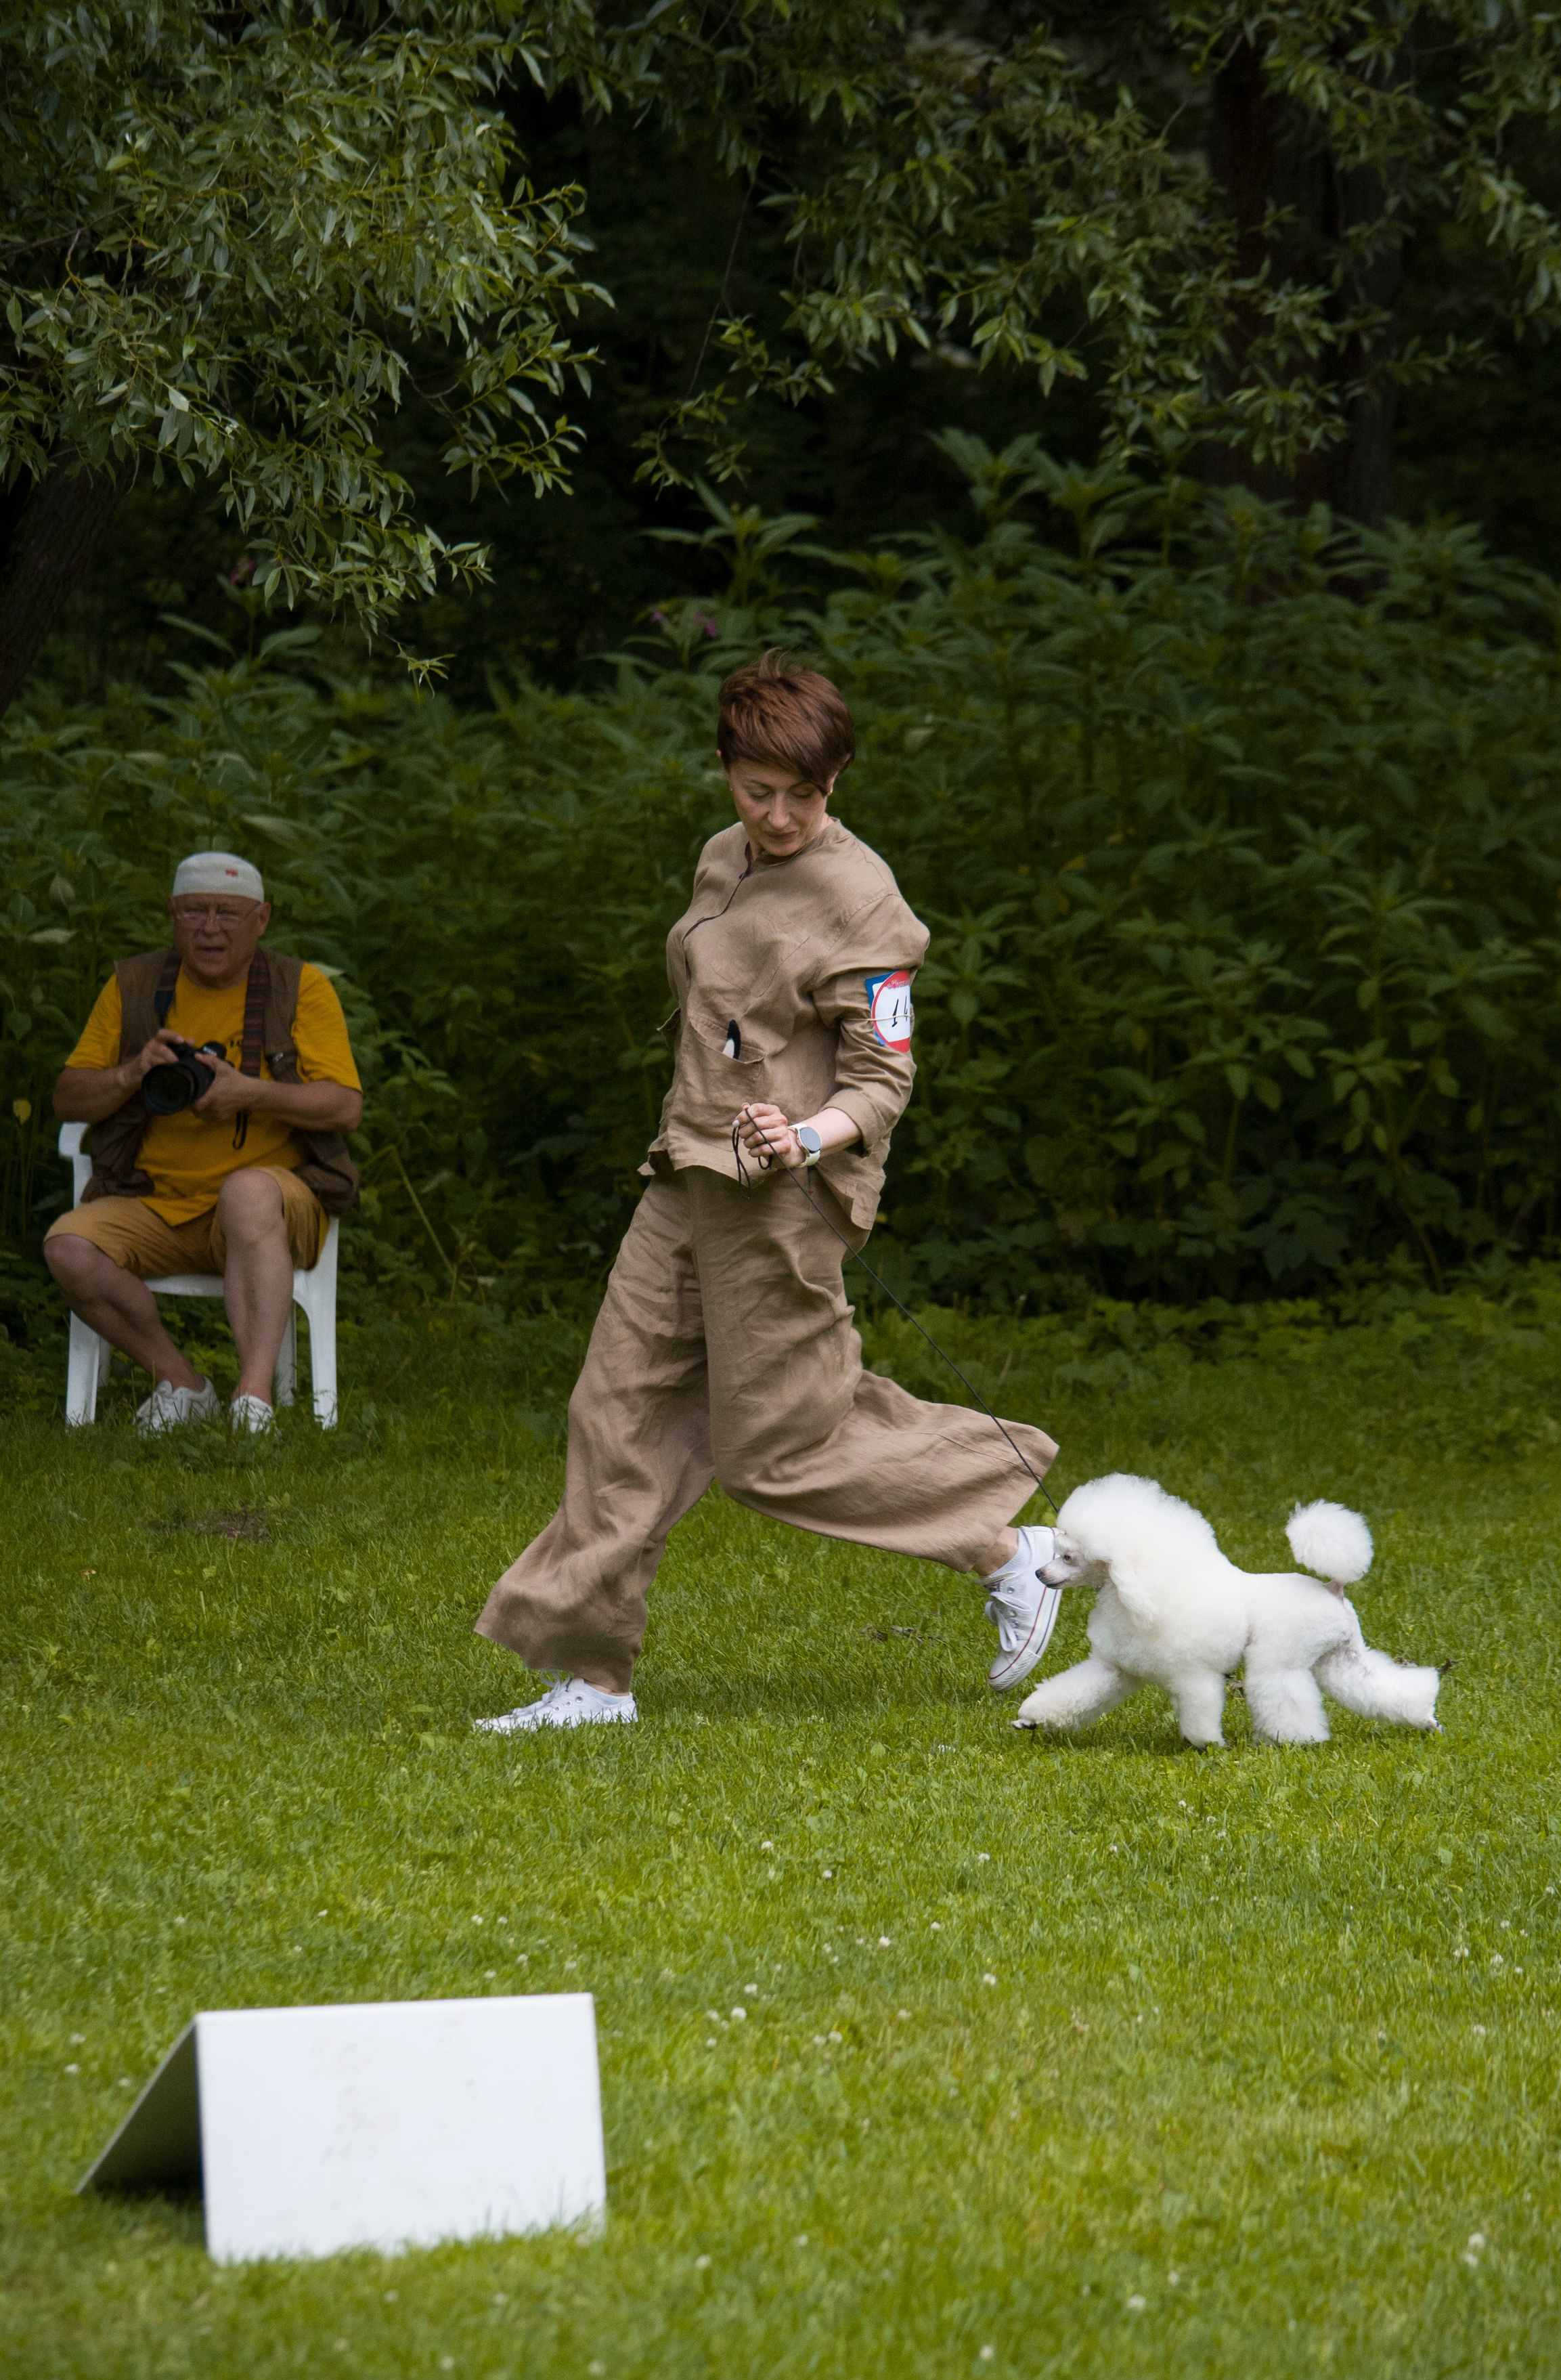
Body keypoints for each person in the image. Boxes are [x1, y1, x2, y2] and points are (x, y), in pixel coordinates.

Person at [474, 650, 1065, 1730]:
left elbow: (885, 1078)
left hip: (782, 1199)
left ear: (836, 780)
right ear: (725, 772)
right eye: (758, 789)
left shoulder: (863, 900)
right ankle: (593, 1680)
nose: (781, 813)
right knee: (615, 1413)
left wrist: (804, 1135)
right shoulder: (721, 858)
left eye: (805, 792)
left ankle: (1006, 1546)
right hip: (687, 1174)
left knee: (777, 1448)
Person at [46, 850, 363, 1433]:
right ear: (172, 913)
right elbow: (66, 1098)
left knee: (245, 1192)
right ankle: (183, 1384)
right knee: (68, 1249)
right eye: (194, 911)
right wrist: (131, 1072)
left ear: (261, 919)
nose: (210, 927)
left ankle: (253, 1402)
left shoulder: (300, 987)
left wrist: (250, 1094)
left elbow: (345, 1105)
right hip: (152, 1200)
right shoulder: (135, 986)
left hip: (268, 1210)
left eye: (228, 913)